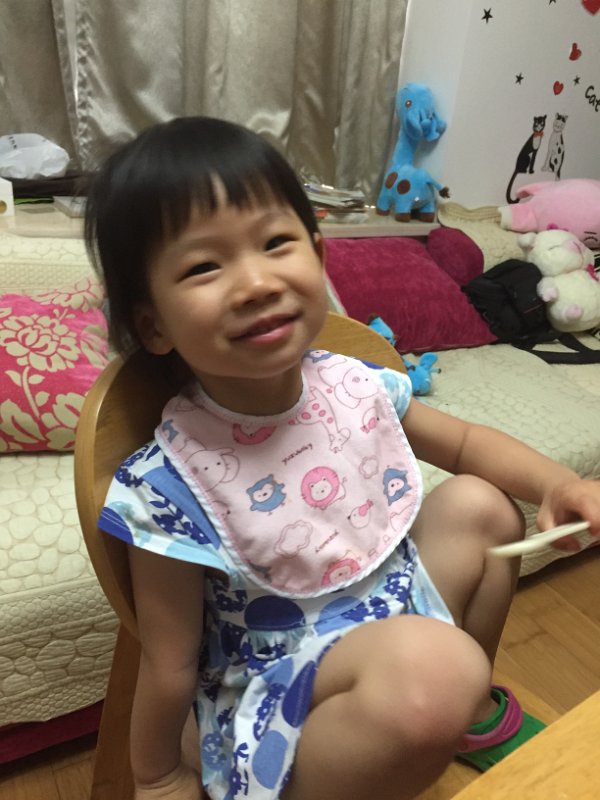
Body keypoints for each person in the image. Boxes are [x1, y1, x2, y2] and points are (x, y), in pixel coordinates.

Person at [84, 116, 600, 800]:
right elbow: (169, 658)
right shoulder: (172, 482)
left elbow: (467, 445)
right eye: (205, 266)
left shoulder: (353, 384)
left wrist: (558, 484)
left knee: (482, 506)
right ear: (152, 324)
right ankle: (419, 715)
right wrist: (157, 778)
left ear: (319, 255)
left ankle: (463, 713)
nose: (256, 282)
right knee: (438, 669)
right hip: (281, 689)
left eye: (275, 243)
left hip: (395, 609)